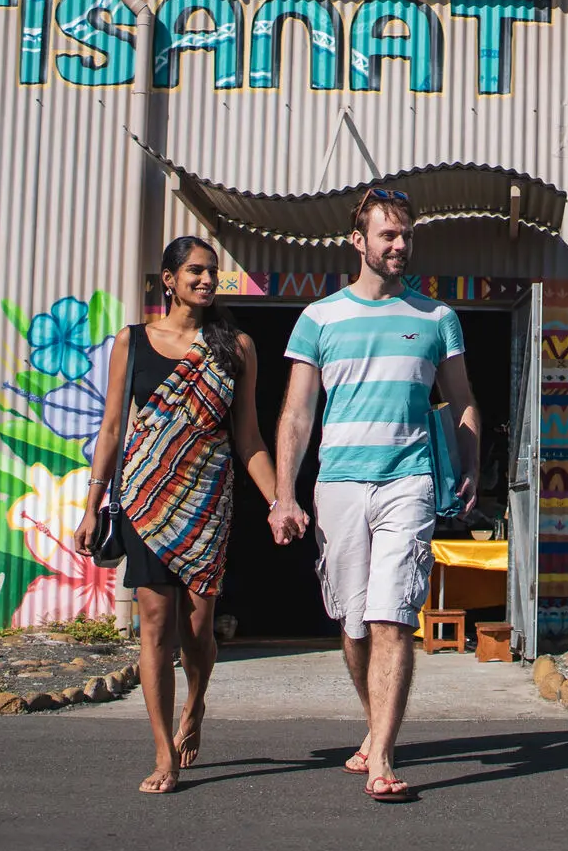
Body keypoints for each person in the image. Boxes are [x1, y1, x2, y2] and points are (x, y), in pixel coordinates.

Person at [269, 187, 478, 804]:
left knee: (394, 615)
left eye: (406, 235)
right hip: (337, 484)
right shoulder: (320, 318)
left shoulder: (437, 317)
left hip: (408, 481)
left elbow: (463, 400)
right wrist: (285, 494)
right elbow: (297, 414)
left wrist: (469, 466)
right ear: (357, 242)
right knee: (354, 622)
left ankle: (383, 755)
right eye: (388, 235)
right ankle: (372, 725)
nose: (400, 245)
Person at [77, 236, 280, 795]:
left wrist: (279, 500)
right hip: (144, 501)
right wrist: (94, 503)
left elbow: (248, 436)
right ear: (168, 279)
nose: (206, 280)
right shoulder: (133, 342)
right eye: (195, 271)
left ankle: (197, 704)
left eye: (212, 272)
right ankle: (164, 751)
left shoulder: (235, 346)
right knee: (156, 628)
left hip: (206, 503)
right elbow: (113, 428)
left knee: (196, 632)